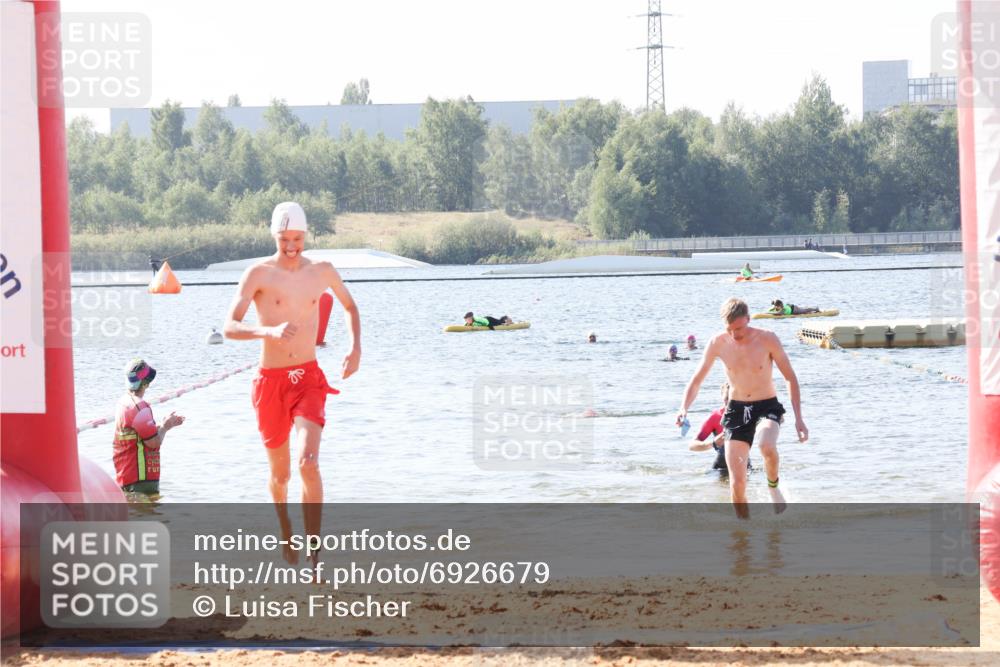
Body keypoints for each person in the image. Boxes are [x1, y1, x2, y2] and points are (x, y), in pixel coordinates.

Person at [224, 201, 362, 565]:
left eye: (297, 238)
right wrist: (267, 330)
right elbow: (230, 327)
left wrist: (354, 347)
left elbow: (350, 307)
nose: (291, 245)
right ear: (275, 235)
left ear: (305, 235)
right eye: (284, 238)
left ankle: (315, 553)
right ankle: (286, 531)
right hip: (270, 382)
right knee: (281, 475)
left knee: (308, 463)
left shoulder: (322, 270)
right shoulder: (258, 274)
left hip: (308, 380)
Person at [676, 298, 808, 517]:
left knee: (766, 445)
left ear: (748, 319)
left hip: (766, 406)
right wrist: (684, 408)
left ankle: (773, 486)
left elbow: (790, 378)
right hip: (736, 410)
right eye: (730, 329)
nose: (735, 334)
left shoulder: (767, 339)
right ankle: (742, 537)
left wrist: (799, 419)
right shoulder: (717, 342)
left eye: (739, 328)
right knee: (737, 485)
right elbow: (697, 379)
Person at [112, 358, 185, 496]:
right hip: (141, 481)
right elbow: (153, 443)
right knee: (148, 515)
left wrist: (160, 425)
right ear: (146, 384)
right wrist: (165, 427)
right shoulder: (140, 408)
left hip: (125, 476)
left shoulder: (123, 403)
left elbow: (136, 435)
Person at [687, 382, 749, 474]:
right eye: (726, 399)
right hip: (721, 468)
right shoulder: (715, 417)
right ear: (722, 397)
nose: (730, 403)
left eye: (734, 399)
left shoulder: (748, 415)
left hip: (745, 467)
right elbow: (692, 445)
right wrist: (713, 443)